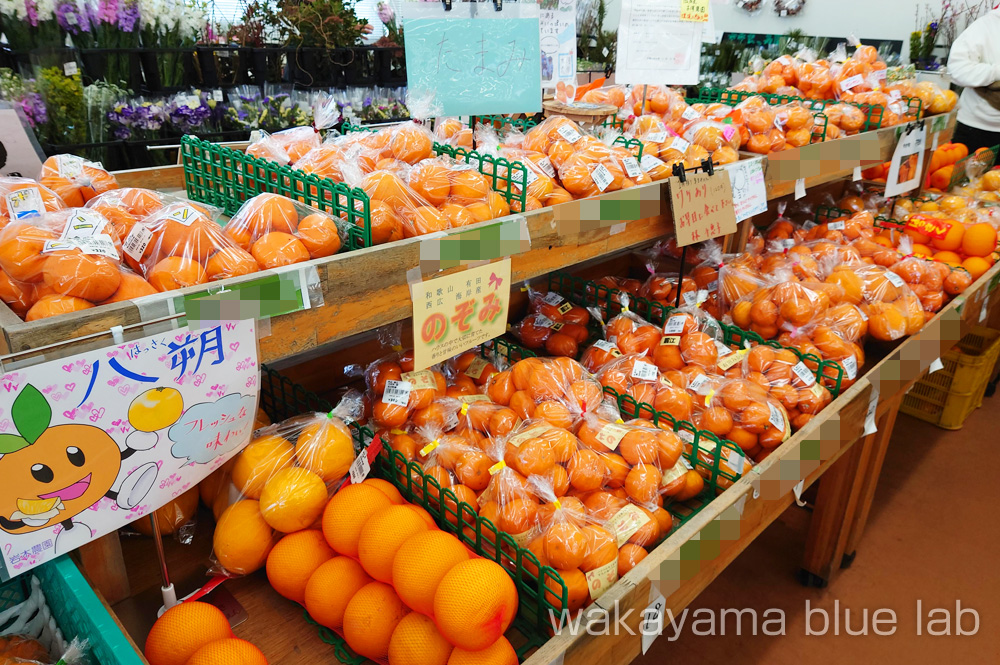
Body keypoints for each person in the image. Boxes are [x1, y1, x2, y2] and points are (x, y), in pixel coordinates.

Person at [948, 6, 1000, 153]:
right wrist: (996, 72)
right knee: (967, 176)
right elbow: (957, 69)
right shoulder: (984, 26)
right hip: (977, 129)